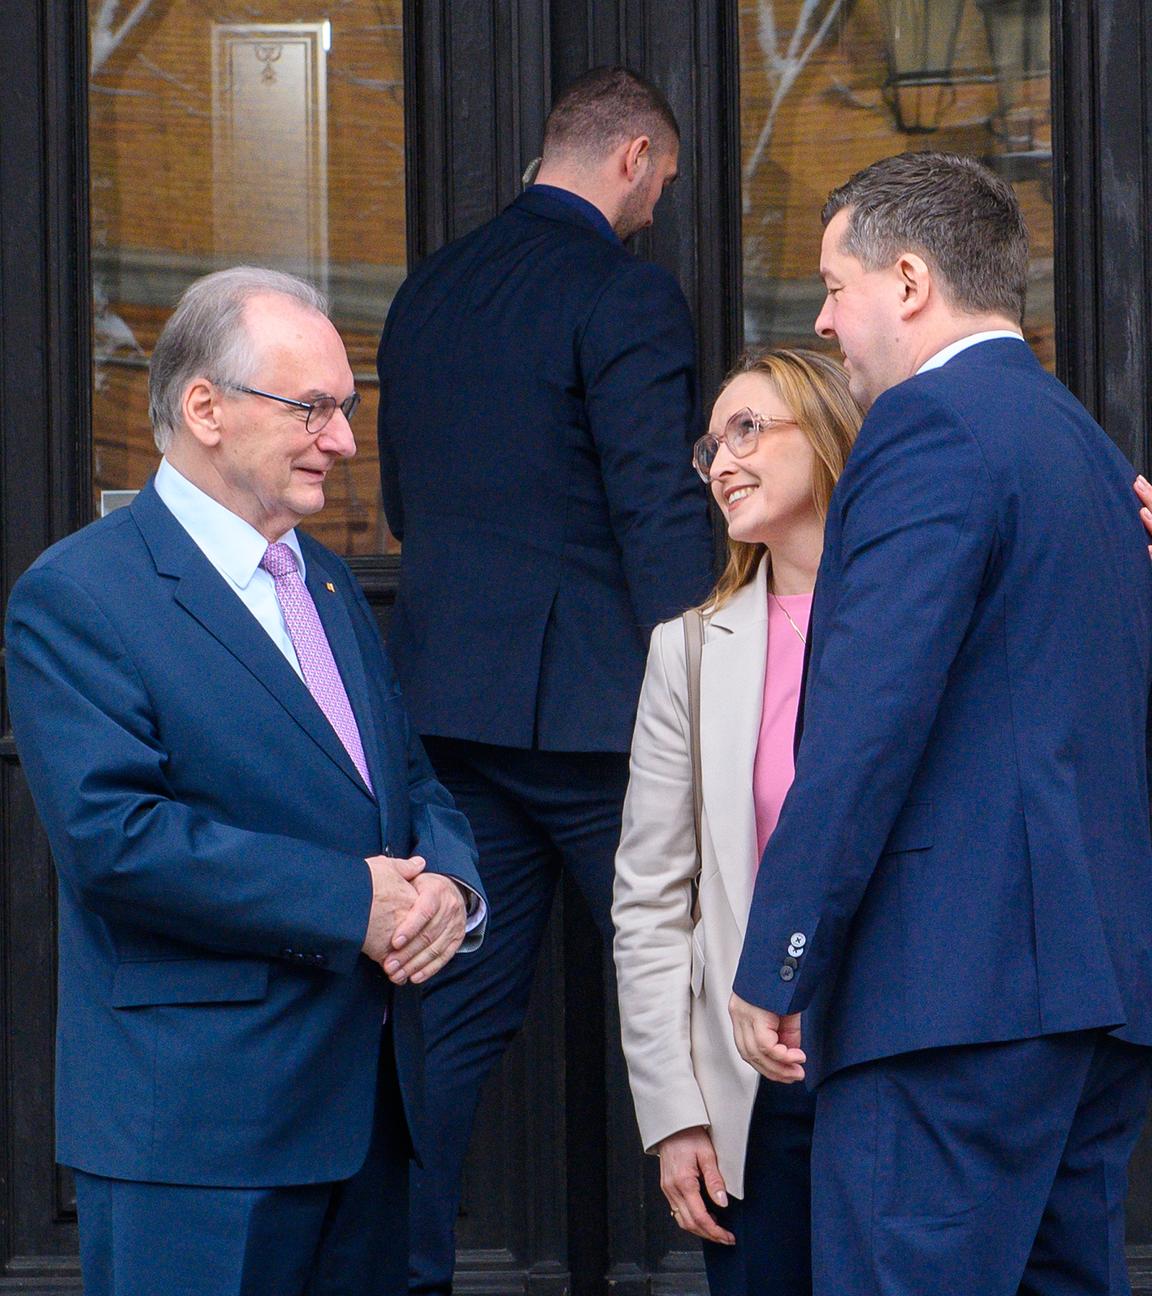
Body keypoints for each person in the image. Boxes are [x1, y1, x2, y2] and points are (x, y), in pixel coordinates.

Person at [4, 267, 486, 1296]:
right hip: (199, 1138)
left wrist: (451, 887)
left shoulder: (324, 582)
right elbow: (116, 840)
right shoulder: (80, 594)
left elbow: (406, 780)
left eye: (346, 412)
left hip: (370, 1123)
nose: (345, 442)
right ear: (204, 408)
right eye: (311, 408)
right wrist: (351, 900)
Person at [728, 152, 1152, 1295]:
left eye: (833, 285)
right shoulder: (1093, 457)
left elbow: (869, 726)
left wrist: (780, 954)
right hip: (1092, 1000)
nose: (823, 321)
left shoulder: (926, 432)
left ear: (909, 281)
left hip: (950, 1000)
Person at [375, 65, 713, 1292]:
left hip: (450, 709)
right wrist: (713, 690)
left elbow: (404, 504)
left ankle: (396, 1270)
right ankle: (736, 1257)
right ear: (630, 161)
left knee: (452, 1022)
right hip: (602, 725)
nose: (659, 209)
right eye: (663, 185)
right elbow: (658, 514)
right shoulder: (625, 294)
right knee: (682, 995)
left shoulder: (427, 289)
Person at [613, 348, 861, 1296]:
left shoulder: (922, 618)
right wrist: (674, 1109)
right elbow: (648, 899)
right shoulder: (688, 651)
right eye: (711, 444)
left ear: (831, 432)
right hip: (758, 1093)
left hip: (907, 1063)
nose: (721, 461)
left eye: (749, 429)